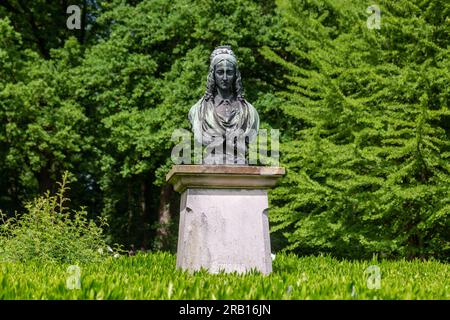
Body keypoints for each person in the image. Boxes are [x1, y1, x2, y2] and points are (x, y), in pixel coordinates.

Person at [189, 46, 259, 164]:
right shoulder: (198, 110)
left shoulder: (250, 112)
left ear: (236, 75)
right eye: (220, 72)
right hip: (210, 161)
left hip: (240, 162)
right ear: (213, 75)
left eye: (229, 72)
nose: (225, 78)